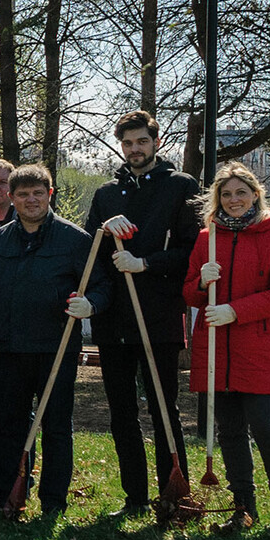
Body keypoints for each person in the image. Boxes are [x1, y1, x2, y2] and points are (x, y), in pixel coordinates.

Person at [0, 164, 111, 517]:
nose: (30, 200)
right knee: (9, 426)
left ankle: (53, 502)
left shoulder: (75, 239)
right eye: (23, 194)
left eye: (38, 193)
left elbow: (102, 285)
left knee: (56, 427)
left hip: (56, 348)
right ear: (12, 198)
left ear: (50, 195)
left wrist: (90, 304)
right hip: (8, 348)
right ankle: (9, 494)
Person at [82, 110, 200, 518]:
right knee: (121, 413)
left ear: (156, 142)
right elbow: (90, 253)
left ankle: (174, 494)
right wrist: (102, 230)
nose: (135, 150)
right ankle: (134, 498)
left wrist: (147, 263)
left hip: (158, 316)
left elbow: (192, 251)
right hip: (114, 318)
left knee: (164, 409)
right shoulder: (106, 195)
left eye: (142, 142)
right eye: (128, 143)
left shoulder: (182, 187)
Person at [183, 162, 270, 531]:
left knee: (268, 430)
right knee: (230, 432)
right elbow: (188, 292)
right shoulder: (208, 238)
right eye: (226, 194)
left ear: (255, 194)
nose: (234, 200)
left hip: (258, 349)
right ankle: (243, 509)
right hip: (216, 350)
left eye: (241, 192)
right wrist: (202, 284)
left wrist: (235, 311)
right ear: (217, 199)